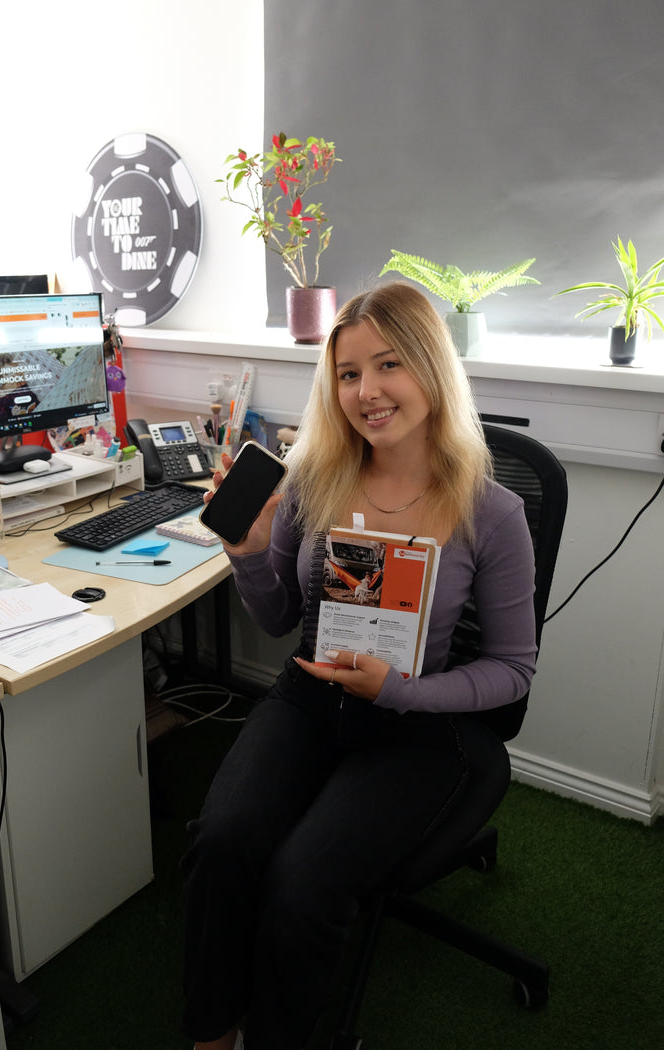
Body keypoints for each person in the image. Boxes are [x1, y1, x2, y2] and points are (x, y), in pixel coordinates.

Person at [181, 281, 537, 1050]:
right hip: (310, 700)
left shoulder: (493, 514)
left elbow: (512, 670)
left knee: (303, 884)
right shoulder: (315, 480)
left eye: (388, 366)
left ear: (431, 368)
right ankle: (213, 1032)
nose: (367, 392)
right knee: (224, 839)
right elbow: (279, 619)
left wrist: (401, 689)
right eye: (347, 374)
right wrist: (246, 555)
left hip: (413, 726)